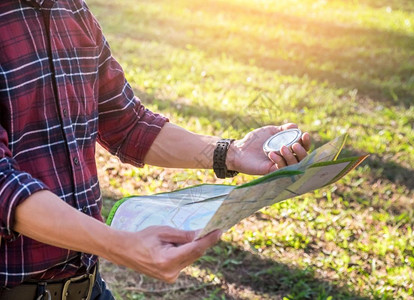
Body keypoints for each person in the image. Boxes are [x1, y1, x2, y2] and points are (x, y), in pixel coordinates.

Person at [0, 0, 310, 299]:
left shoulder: (72, 9)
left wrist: (232, 152)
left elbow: (128, 123)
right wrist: (119, 245)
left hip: (87, 286)